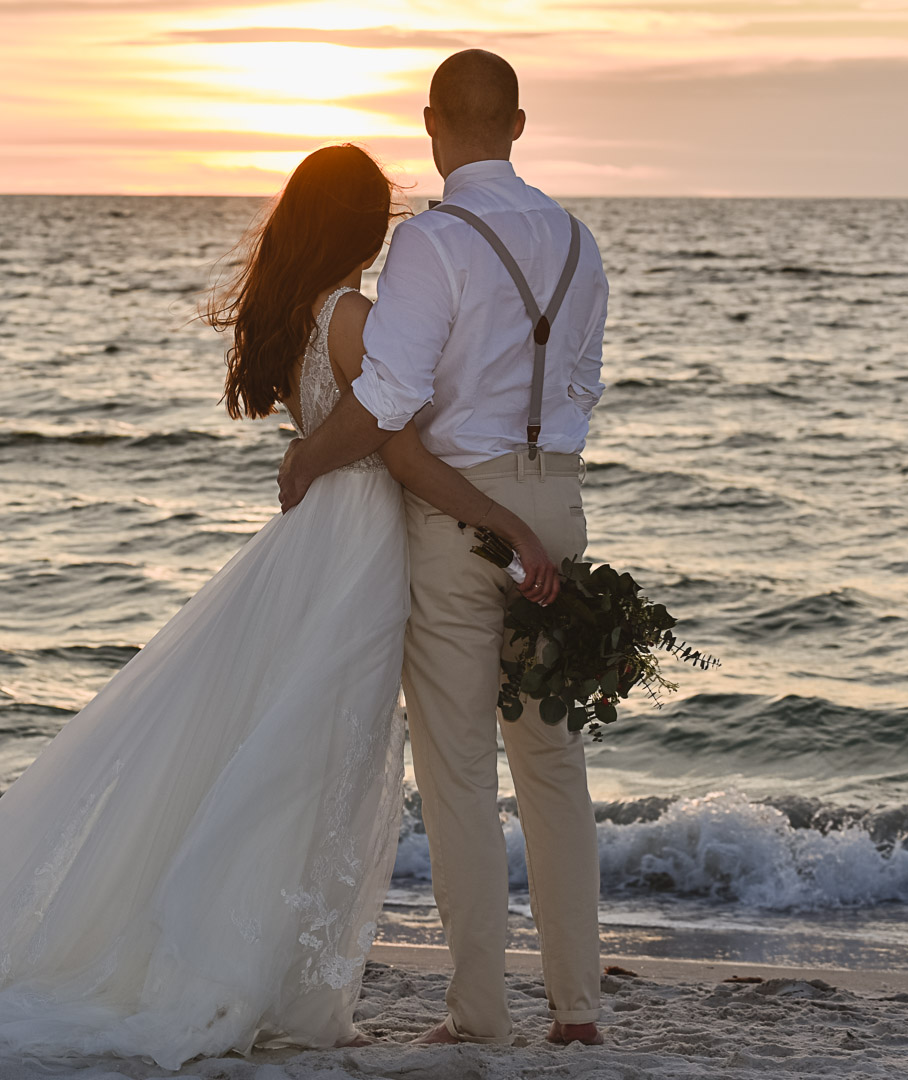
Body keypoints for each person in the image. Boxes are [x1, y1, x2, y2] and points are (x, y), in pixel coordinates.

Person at [0, 141, 562, 1069]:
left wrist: (311, 460)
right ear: (366, 224)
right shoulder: (354, 315)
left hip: (324, 537)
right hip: (357, 545)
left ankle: (271, 974)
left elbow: (349, 436)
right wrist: (509, 526)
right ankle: (249, 976)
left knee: (296, 755)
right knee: (312, 763)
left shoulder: (302, 313)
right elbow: (395, 449)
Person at [279, 48, 611, 1047]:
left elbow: (386, 401)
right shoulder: (578, 239)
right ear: (517, 124)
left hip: (460, 514)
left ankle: (478, 1015)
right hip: (559, 502)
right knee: (553, 766)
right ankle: (579, 1010)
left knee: (460, 769)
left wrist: (306, 460)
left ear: (432, 123)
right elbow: (583, 386)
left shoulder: (430, 243)